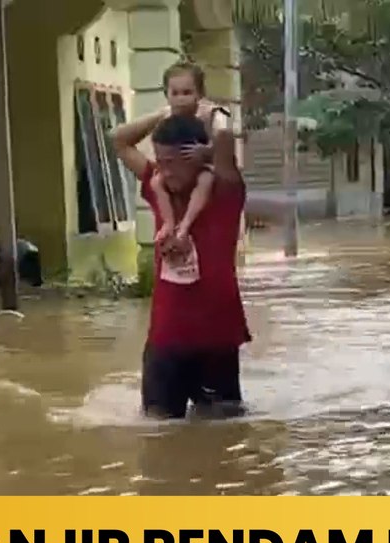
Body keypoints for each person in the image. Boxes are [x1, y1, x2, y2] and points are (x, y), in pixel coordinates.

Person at [110, 87, 287, 420]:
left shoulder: (224, 192)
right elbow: (119, 140)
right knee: (160, 437)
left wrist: (214, 119)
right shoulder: (157, 186)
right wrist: (167, 112)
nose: (168, 171)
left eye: (177, 163)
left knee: (222, 440)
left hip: (217, 343)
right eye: (162, 162)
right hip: (165, 342)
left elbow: (224, 147)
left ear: (198, 159)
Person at [148, 62, 218, 284]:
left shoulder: (209, 117)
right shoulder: (165, 122)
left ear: (200, 94)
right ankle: (169, 222)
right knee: (156, 182)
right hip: (177, 178)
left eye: (187, 93)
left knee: (206, 178)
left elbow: (223, 142)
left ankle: (185, 224)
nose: (180, 99)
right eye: (174, 93)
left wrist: (206, 152)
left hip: (201, 169)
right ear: (166, 95)